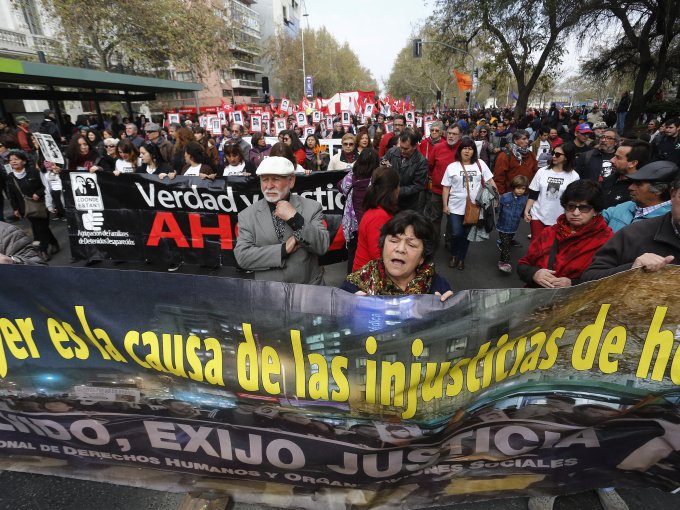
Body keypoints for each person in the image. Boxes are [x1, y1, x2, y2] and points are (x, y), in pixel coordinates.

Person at [233, 156, 329, 284]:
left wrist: (296, 219)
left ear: (291, 181)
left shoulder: (312, 207)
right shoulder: (247, 215)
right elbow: (243, 257)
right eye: (264, 180)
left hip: (308, 290)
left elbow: (322, 246)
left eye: (275, 179)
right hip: (269, 293)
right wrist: (283, 250)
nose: (269, 185)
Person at [582, 172, 680, 282]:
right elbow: (589, 279)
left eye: (638, 184)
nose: (631, 187)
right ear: (673, 194)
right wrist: (631, 269)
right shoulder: (633, 234)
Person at [517, 180, 613, 288]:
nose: (576, 213)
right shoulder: (549, 233)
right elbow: (522, 265)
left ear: (596, 210)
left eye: (584, 208)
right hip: (538, 298)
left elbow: (609, 282)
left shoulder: (607, 241)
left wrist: (573, 284)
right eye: (571, 206)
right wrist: (534, 274)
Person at [342, 210, 452, 300]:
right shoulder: (354, 286)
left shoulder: (437, 288)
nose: (400, 249)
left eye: (411, 245)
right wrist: (349, 310)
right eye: (394, 241)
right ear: (383, 245)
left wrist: (446, 312)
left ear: (422, 257)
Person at [442, 137, 495, 270]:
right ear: (460, 150)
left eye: (470, 148)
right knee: (456, 233)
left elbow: (490, 181)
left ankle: (461, 258)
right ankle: (453, 254)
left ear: (474, 151)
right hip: (455, 207)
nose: (467, 151)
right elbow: (446, 187)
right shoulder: (452, 167)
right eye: (464, 148)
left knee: (466, 236)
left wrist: (495, 198)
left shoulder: (480, 164)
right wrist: (445, 205)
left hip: (474, 207)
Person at [6, 150, 59, 261]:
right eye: (11, 160)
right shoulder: (10, 177)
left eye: (16, 159)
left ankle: (43, 250)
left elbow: (44, 186)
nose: (13, 162)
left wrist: (38, 193)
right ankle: (54, 243)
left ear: (24, 161)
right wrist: (15, 208)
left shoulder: (34, 172)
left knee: (39, 228)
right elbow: (12, 195)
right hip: (26, 208)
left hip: (41, 205)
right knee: (40, 227)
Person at [602, 160, 678, 232]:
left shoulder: (668, 222)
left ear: (659, 190)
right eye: (632, 183)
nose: (630, 187)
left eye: (638, 184)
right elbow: (598, 219)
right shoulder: (627, 206)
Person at [524, 143, 580, 240]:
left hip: (560, 219)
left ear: (567, 157)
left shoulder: (574, 176)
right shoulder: (542, 171)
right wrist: (526, 210)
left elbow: (574, 200)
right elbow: (533, 193)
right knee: (536, 248)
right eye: (553, 153)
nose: (554, 156)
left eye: (558, 154)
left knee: (552, 249)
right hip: (538, 215)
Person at [351, 164, 400, 272]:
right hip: (368, 277)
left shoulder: (378, 211)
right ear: (393, 189)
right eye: (398, 186)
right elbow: (378, 254)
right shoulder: (379, 216)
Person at [338, 148, 380, 272]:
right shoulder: (377, 181)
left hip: (353, 224)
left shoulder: (352, 176)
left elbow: (340, 186)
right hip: (370, 223)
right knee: (369, 254)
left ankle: (350, 283)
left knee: (353, 254)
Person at [426, 125, 462, 241]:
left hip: (456, 193)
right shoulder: (437, 148)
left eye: (454, 134)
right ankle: (433, 242)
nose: (451, 136)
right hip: (437, 191)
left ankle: (449, 242)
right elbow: (430, 166)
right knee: (434, 218)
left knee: (453, 220)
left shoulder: (463, 149)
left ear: (460, 135)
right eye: (449, 133)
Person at [382, 131, 429, 212]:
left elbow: (418, 186)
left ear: (415, 146)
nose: (402, 151)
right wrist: (383, 164)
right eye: (401, 147)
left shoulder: (421, 162)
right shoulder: (392, 152)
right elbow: (383, 161)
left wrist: (397, 191)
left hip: (408, 205)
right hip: (389, 201)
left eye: (406, 149)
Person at [601, 139, 651, 208]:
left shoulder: (640, 192)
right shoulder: (610, 178)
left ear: (633, 163)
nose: (611, 160)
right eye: (614, 156)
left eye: (618, 158)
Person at [497, 175, 528, 273]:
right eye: (518, 188)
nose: (520, 191)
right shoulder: (505, 197)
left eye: (523, 188)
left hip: (514, 227)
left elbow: (522, 212)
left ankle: (501, 243)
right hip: (503, 226)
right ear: (513, 187)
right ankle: (503, 262)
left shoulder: (524, 199)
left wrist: (526, 216)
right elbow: (498, 210)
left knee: (507, 242)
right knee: (506, 247)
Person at [492, 130, 538, 195]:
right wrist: (501, 196)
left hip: (526, 195)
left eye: (528, 139)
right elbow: (499, 178)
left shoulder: (531, 155)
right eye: (524, 139)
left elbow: (534, 174)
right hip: (509, 196)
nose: (527, 141)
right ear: (515, 141)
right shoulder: (505, 156)